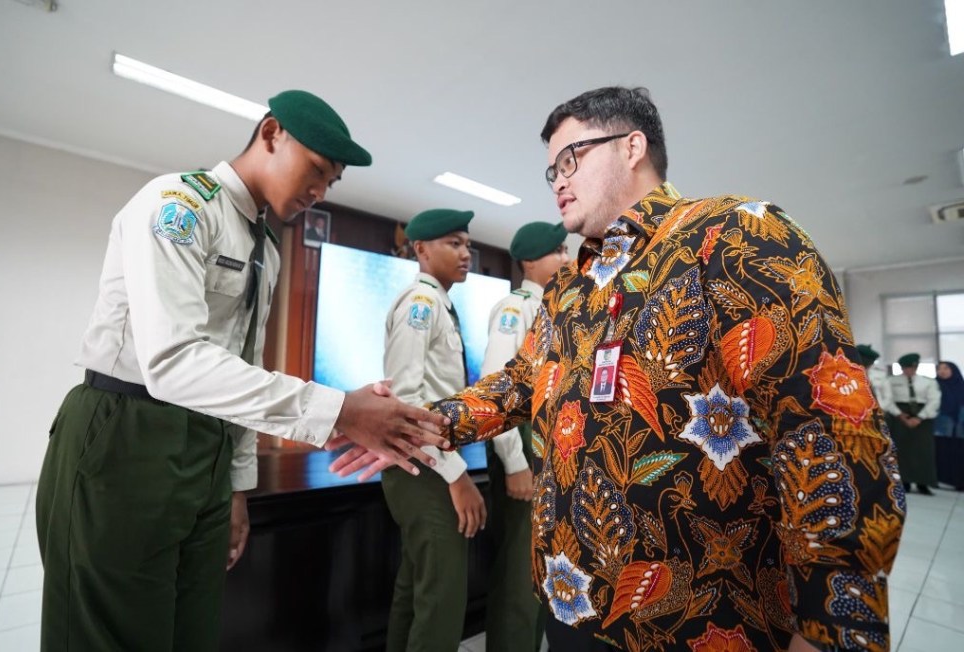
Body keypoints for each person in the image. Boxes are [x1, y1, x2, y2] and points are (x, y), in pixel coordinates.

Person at [332, 86, 904, 651]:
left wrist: (830, 628)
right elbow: (515, 386)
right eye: (549, 169)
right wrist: (410, 425)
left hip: (701, 624)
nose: (557, 179)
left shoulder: (733, 237)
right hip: (574, 606)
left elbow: (830, 431)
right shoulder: (569, 292)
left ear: (633, 147)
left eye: (570, 158)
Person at [36, 90, 450, 652]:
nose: (319, 192)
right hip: (126, 433)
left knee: (193, 629)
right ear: (273, 133)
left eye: (331, 183)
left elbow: (240, 369)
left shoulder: (266, 250)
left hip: (206, 444)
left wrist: (235, 487)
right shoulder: (179, 206)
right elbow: (172, 361)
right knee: (112, 632)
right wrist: (339, 410)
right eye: (316, 171)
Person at [381, 208, 486, 652]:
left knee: (418, 591)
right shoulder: (421, 304)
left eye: (467, 245)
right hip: (427, 467)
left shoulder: (439, 302)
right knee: (441, 600)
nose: (466, 254)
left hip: (426, 465)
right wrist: (456, 475)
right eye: (453, 244)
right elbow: (407, 402)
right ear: (421, 249)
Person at [480, 220, 569, 652]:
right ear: (531, 261)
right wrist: (515, 464)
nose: (568, 259)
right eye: (559, 252)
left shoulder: (555, 306)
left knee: (538, 581)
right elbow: (498, 389)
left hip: (548, 461)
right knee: (518, 582)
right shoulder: (516, 308)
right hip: (524, 462)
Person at [886, 353, 941, 495]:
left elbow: (934, 401)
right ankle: (905, 482)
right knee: (902, 450)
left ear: (916, 367)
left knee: (923, 451)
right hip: (900, 416)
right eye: (904, 368)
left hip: (923, 417)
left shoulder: (928, 382)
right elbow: (888, 400)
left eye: (909, 368)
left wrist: (919, 418)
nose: (907, 371)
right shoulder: (891, 381)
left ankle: (924, 483)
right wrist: (900, 415)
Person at [857, 344, 892, 414]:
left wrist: (879, 409)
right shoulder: (848, 373)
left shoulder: (880, 375)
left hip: (878, 411)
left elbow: (888, 397)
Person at [935, 361, 964, 438]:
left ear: (953, 369)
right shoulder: (934, 385)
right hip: (941, 421)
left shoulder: (961, 385)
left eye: (946, 368)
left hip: (961, 421)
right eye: (939, 369)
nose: (942, 371)